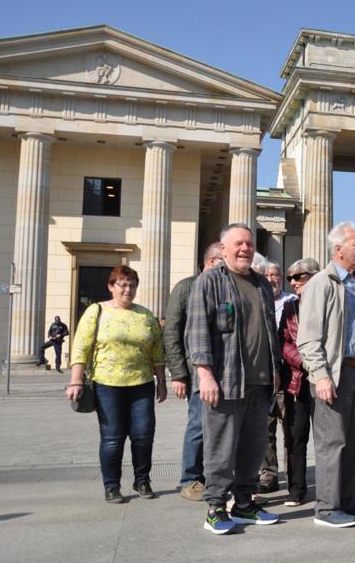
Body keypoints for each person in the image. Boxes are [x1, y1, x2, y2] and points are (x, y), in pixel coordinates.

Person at [186, 224, 282, 534]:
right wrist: (204, 374)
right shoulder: (210, 281)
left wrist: (275, 370)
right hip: (225, 381)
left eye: (249, 244)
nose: (245, 249)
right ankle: (215, 508)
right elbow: (197, 330)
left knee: (253, 447)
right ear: (223, 248)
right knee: (221, 448)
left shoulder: (261, 284)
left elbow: (269, 331)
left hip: (260, 381)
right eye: (238, 243)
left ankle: (244, 503)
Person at [298, 222, 355, 528]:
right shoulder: (321, 283)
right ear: (338, 250)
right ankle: (327, 508)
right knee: (332, 442)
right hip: (334, 373)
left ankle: (346, 500)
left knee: (354, 442)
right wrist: (320, 375)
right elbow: (308, 338)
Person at [65, 265, 166, 504]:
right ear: (111, 286)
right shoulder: (96, 311)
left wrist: (161, 381)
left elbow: (157, 351)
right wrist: (76, 380)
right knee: (112, 438)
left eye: (132, 285)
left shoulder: (145, 315)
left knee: (144, 435)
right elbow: (81, 346)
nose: (128, 289)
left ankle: (142, 480)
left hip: (141, 383)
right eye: (122, 284)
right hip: (107, 384)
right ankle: (112, 486)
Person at [164, 242, 222, 502]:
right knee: (198, 424)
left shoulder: (225, 286)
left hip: (222, 371)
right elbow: (171, 332)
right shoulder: (186, 287)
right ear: (211, 261)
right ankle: (190, 478)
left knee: (219, 427)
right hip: (194, 371)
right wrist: (178, 373)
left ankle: (214, 475)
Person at [277, 257, 321, 507]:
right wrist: (303, 361)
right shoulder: (290, 307)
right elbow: (283, 342)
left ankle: (328, 489)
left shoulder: (327, 303)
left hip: (324, 379)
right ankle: (296, 489)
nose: (293, 282)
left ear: (314, 277)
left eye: (298, 277)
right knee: (295, 437)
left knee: (326, 438)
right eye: (290, 278)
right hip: (297, 380)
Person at [259, 259, 297, 494]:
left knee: (290, 427)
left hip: (287, 372)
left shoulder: (291, 302)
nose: (272, 279)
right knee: (265, 428)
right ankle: (268, 474)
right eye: (268, 275)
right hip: (264, 373)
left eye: (275, 275)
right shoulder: (257, 300)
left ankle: (293, 474)